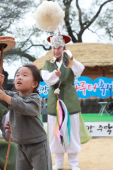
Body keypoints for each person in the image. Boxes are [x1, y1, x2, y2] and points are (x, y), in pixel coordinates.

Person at [0, 64, 52, 170]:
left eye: (25, 75)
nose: (19, 77)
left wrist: (5, 96)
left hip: (38, 144)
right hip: (20, 145)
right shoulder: (13, 96)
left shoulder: (35, 99)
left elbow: (23, 107)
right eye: (17, 75)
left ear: (34, 84)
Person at [41, 34, 85, 170]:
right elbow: (47, 79)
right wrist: (55, 74)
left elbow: (79, 71)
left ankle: (74, 164)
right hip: (55, 102)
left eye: (59, 47)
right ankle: (58, 163)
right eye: (54, 47)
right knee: (56, 133)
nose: (56, 50)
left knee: (72, 131)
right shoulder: (49, 63)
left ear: (64, 47)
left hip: (70, 101)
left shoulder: (69, 60)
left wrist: (70, 59)